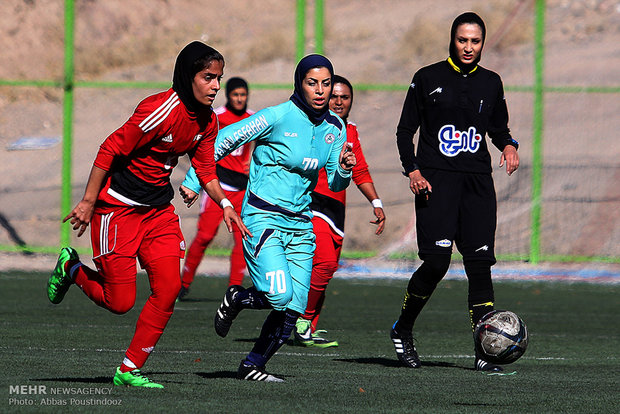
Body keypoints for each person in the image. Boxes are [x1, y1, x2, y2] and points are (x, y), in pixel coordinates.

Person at [46, 41, 249, 388]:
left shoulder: (208, 121)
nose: (216, 86)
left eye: (219, 78)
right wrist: (88, 201)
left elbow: (205, 168)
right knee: (120, 302)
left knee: (169, 288)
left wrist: (226, 205)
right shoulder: (161, 109)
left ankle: (128, 369)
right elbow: (110, 147)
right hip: (118, 210)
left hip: (157, 212)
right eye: (208, 77)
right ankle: (72, 268)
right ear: (188, 76)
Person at [181, 54, 356, 382]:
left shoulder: (336, 128)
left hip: (301, 225)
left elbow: (334, 182)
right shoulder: (277, 116)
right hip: (263, 218)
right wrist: (193, 181)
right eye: (312, 83)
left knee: (295, 307)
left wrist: (345, 167)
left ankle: (253, 365)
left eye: (326, 84)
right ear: (299, 83)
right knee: (279, 294)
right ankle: (237, 297)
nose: (320, 91)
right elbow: (225, 140)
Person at [391, 12, 520, 372]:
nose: (468, 47)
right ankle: (403, 328)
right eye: (463, 40)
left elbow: (499, 129)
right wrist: (413, 171)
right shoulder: (427, 77)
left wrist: (509, 146)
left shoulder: (492, 83)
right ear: (453, 40)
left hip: (477, 183)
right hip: (436, 181)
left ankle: (484, 351)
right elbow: (405, 132)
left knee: (479, 265)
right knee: (437, 262)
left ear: (482, 43)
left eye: (475, 41)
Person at [293, 75, 386, 348]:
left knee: (326, 268)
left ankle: (307, 327)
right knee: (325, 264)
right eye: (334, 96)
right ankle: (300, 321)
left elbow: (359, 170)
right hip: (311, 204)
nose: (339, 101)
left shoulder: (350, 130)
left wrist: (376, 202)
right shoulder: (310, 123)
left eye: (345, 97)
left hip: (336, 209)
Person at [178, 77, 254, 300]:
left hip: (243, 190)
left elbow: (260, 145)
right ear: (228, 95)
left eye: (243, 94)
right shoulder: (217, 117)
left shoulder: (252, 119)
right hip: (217, 187)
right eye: (235, 94)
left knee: (242, 238)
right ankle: (184, 283)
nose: (239, 99)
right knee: (205, 235)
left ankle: (234, 290)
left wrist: (254, 162)